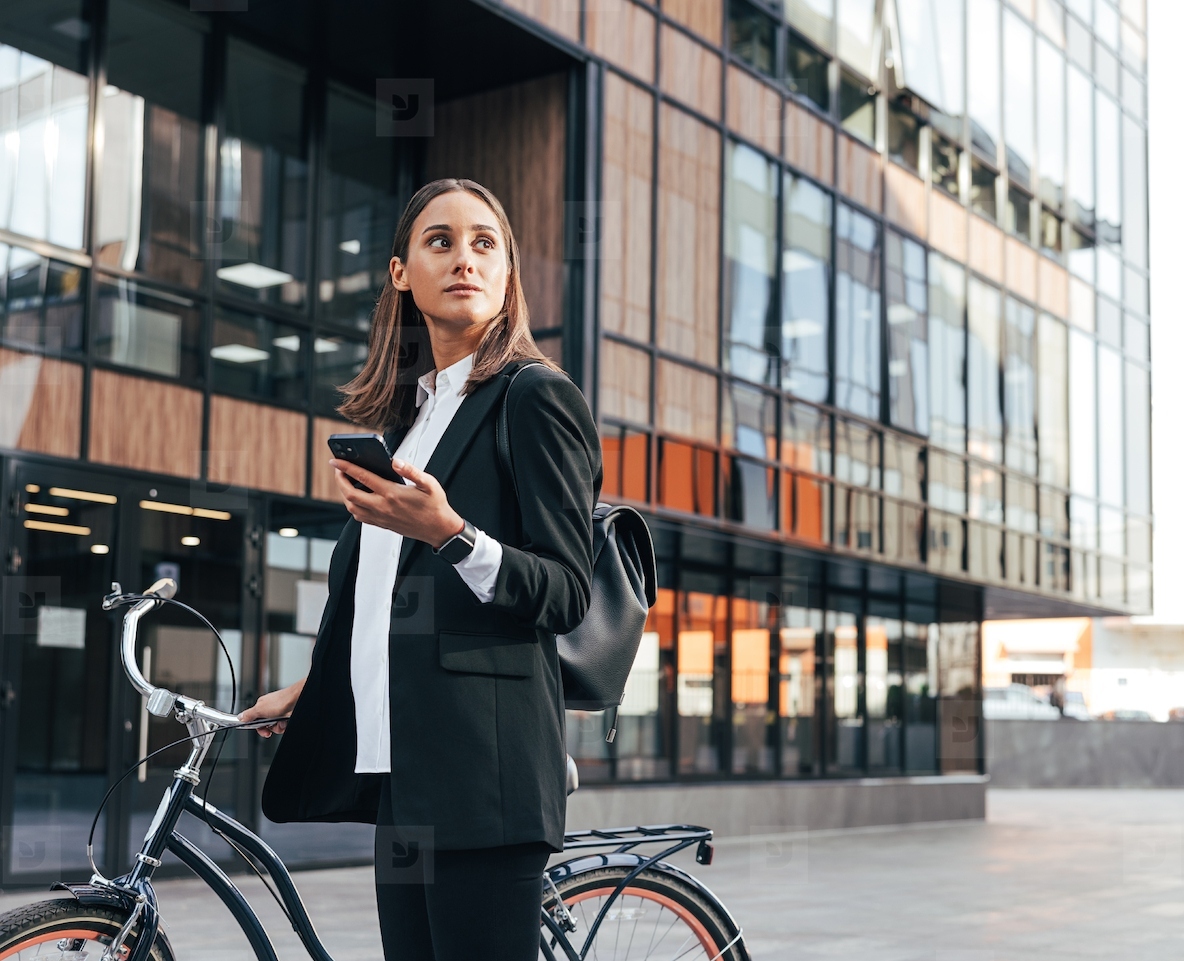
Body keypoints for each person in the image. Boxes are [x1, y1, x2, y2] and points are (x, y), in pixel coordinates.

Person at [240, 178, 603, 961]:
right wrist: (313, 687)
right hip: (405, 775)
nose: (464, 259)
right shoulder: (411, 423)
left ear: (507, 272)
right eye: (440, 242)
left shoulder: (534, 396)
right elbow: (384, 602)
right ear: (402, 272)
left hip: (485, 779)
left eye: (485, 243)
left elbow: (568, 590)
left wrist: (451, 532)